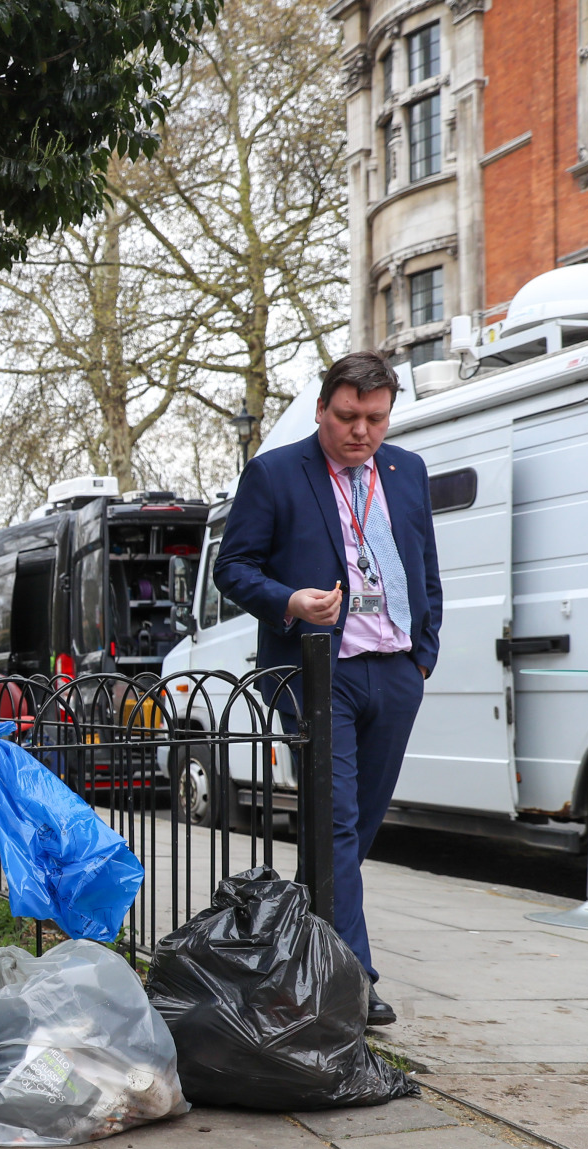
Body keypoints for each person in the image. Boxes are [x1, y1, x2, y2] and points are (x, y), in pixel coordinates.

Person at [214, 350, 442, 1027]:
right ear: (322, 409)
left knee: (353, 827)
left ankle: (309, 946)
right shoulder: (276, 473)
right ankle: (351, 977)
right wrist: (289, 599)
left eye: (374, 418)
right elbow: (234, 567)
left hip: (396, 670)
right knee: (336, 822)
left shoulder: (407, 472)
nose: (361, 431)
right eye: (347, 416)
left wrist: (423, 657)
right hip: (320, 673)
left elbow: (426, 566)